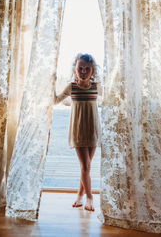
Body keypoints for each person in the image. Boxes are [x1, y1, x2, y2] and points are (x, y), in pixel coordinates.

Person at [54, 53, 102, 212]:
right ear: (75, 70)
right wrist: (50, 84)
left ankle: (79, 196)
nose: (83, 71)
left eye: (87, 69)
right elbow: (55, 100)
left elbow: (115, 97)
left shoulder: (96, 87)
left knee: (85, 168)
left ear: (92, 71)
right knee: (86, 166)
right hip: (78, 131)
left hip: (93, 131)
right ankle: (89, 197)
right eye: (80, 68)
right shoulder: (72, 87)